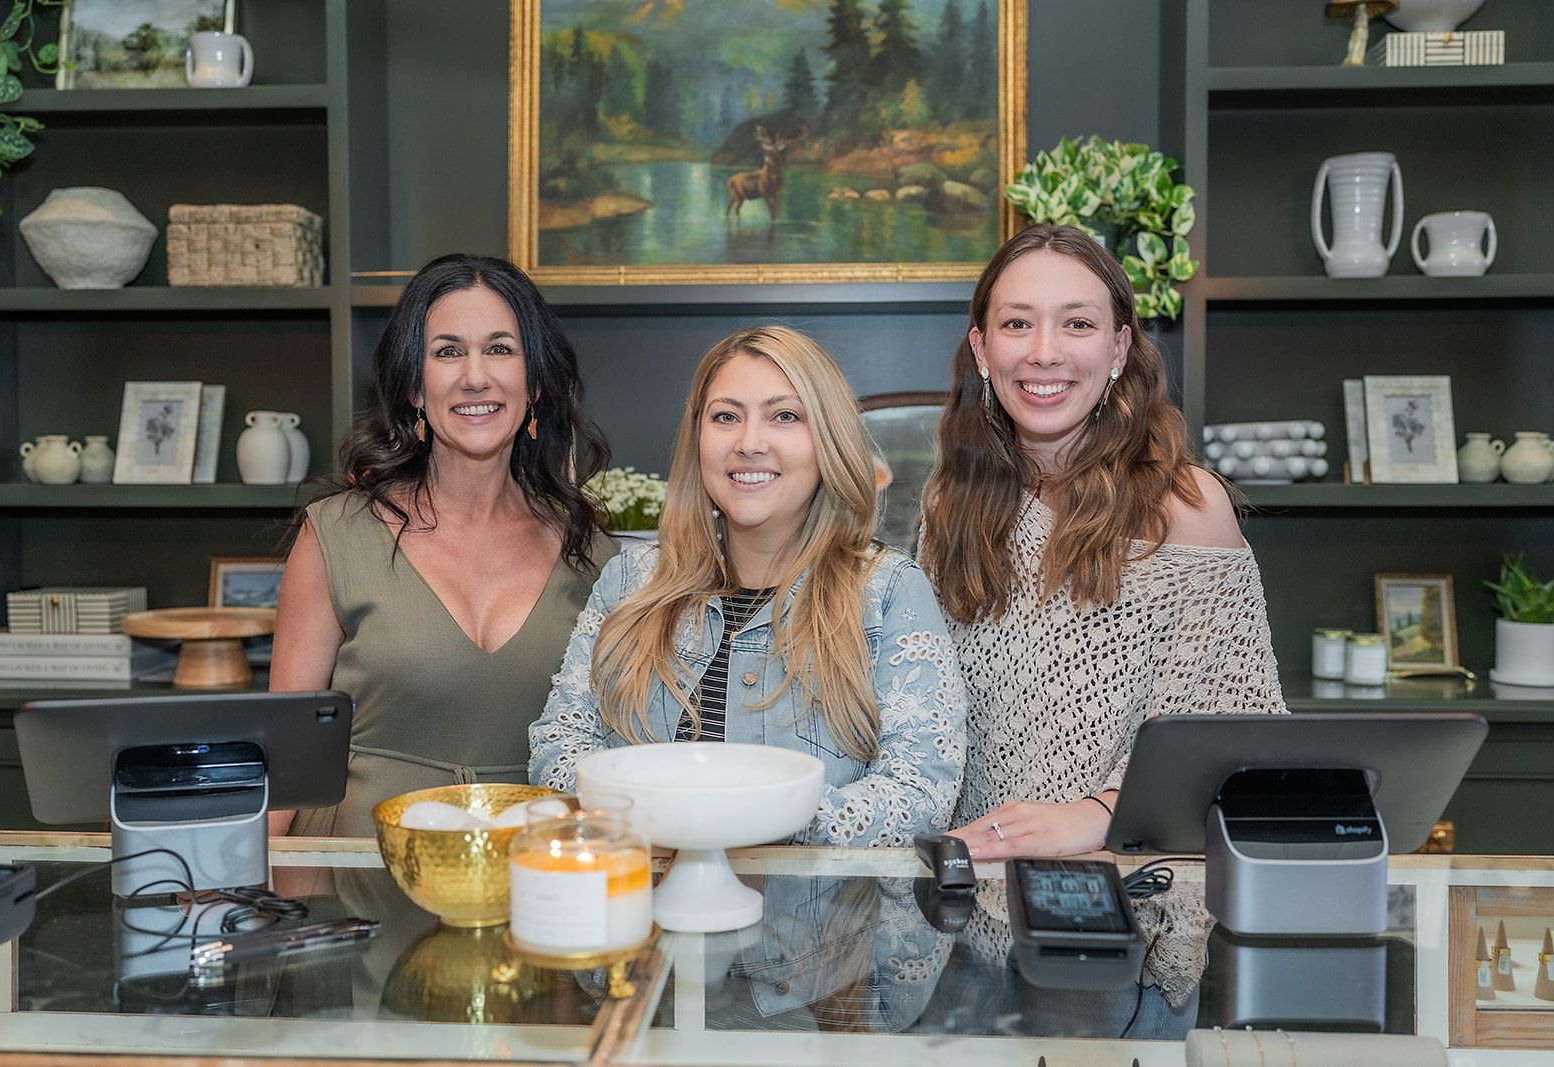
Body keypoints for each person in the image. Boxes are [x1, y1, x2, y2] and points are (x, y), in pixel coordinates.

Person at [918, 223, 1287, 861]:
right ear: (982, 350)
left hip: (1137, 896)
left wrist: (1097, 815)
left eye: (1078, 324)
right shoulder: (949, 506)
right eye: (1016, 324)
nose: (1044, 352)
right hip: (969, 899)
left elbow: (1236, 743)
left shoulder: (1188, 509)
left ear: (1119, 348)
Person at [529, 325, 967, 846]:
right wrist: (663, 819)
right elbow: (559, 746)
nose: (749, 443)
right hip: (641, 915)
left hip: (819, 925)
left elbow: (920, 792)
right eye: (726, 417)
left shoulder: (887, 592)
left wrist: (750, 820)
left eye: (785, 416)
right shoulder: (629, 582)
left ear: (827, 439)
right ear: (698, 438)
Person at [270, 253, 615, 837]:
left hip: (532, 883)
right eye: (447, 351)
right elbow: (286, 755)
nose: (475, 376)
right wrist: (241, 898)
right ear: (413, 386)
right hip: (354, 880)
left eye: (500, 349)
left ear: (534, 384)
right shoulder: (336, 535)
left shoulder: (595, 556)